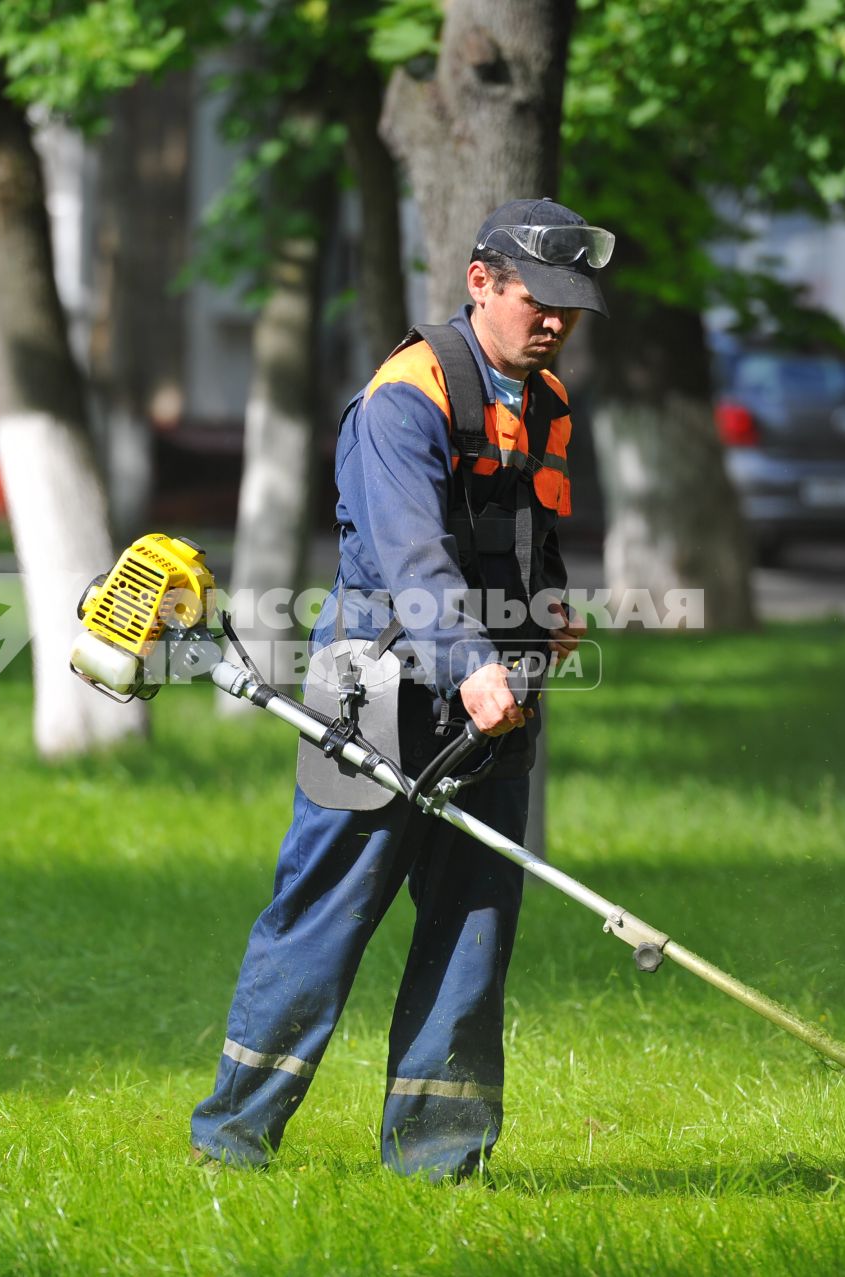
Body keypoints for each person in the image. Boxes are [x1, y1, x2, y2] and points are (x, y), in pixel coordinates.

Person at [190, 198, 611, 1181]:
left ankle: (440, 1159)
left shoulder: (545, 406)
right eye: (535, 298)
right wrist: (475, 671)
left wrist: (549, 607)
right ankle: (231, 1143)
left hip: (495, 689)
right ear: (480, 282)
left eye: (570, 306)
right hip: (372, 688)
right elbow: (413, 563)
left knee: (472, 920)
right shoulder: (404, 397)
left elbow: (522, 538)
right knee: (327, 909)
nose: (553, 320)